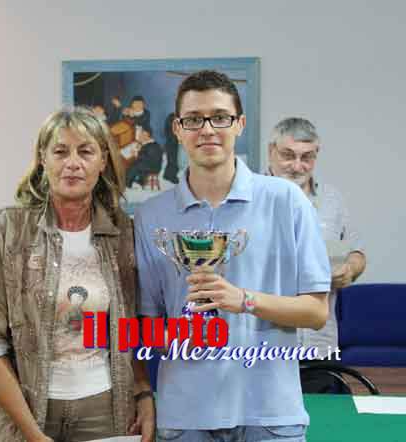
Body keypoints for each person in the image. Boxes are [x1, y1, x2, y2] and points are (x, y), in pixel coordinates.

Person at [134, 70, 331, 442]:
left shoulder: (286, 201)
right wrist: (180, 333)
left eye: (220, 117)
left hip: (271, 415)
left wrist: (244, 300)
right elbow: (147, 325)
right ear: (177, 129)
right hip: (185, 418)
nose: (207, 129)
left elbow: (316, 312)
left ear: (239, 124)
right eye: (194, 119)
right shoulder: (150, 216)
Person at [0, 107, 155, 442]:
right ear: (42, 158)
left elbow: (128, 326)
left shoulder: (122, 231)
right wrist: (32, 433)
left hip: (104, 409)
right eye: (61, 151)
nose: (73, 163)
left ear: (103, 161)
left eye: (86, 152)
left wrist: (143, 392)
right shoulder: (6, 229)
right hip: (23, 410)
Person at [267, 117, 366, 393]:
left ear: (316, 155)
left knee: (320, 417)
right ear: (271, 151)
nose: (297, 165)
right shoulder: (248, 197)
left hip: (319, 346)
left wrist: (351, 269)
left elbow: (357, 251)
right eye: (288, 155)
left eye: (307, 157)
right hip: (263, 347)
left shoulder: (332, 200)